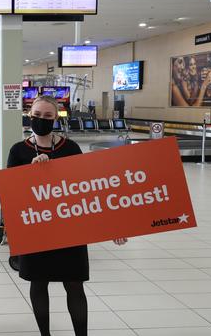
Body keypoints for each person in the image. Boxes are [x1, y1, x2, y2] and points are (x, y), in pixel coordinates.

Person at [7, 95, 127, 336]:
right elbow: (11, 196)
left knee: (74, 284)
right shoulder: (19, 151)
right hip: (36, 230)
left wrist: (114, 225)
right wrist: (31, 173)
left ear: (56, 118)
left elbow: (89, 191)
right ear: (30, 116)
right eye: (37, 115)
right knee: (38, 284)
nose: (42, 120)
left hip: (69, 230)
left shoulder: (70, 148)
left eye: (48, 116)